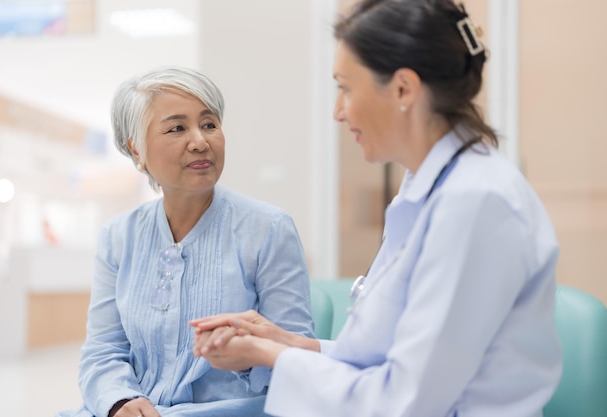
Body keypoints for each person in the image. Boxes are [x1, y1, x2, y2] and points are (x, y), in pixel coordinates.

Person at [190, 1, 563, 416]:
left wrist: (273, 356)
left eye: (346, 88)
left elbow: (403, 400)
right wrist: (293, 344)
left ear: (403, 88)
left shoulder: (476, 203)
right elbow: (393, 360)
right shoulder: (428, 188)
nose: (337, 111)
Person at [56, 66, 314, 417]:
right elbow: (103, 350)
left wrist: (247, 354)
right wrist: (119, 402)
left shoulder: (268, 229)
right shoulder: (118, 237)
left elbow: (295, 357)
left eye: (209, 124)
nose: (200, 141)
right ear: (137, 149)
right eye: (177, 128)